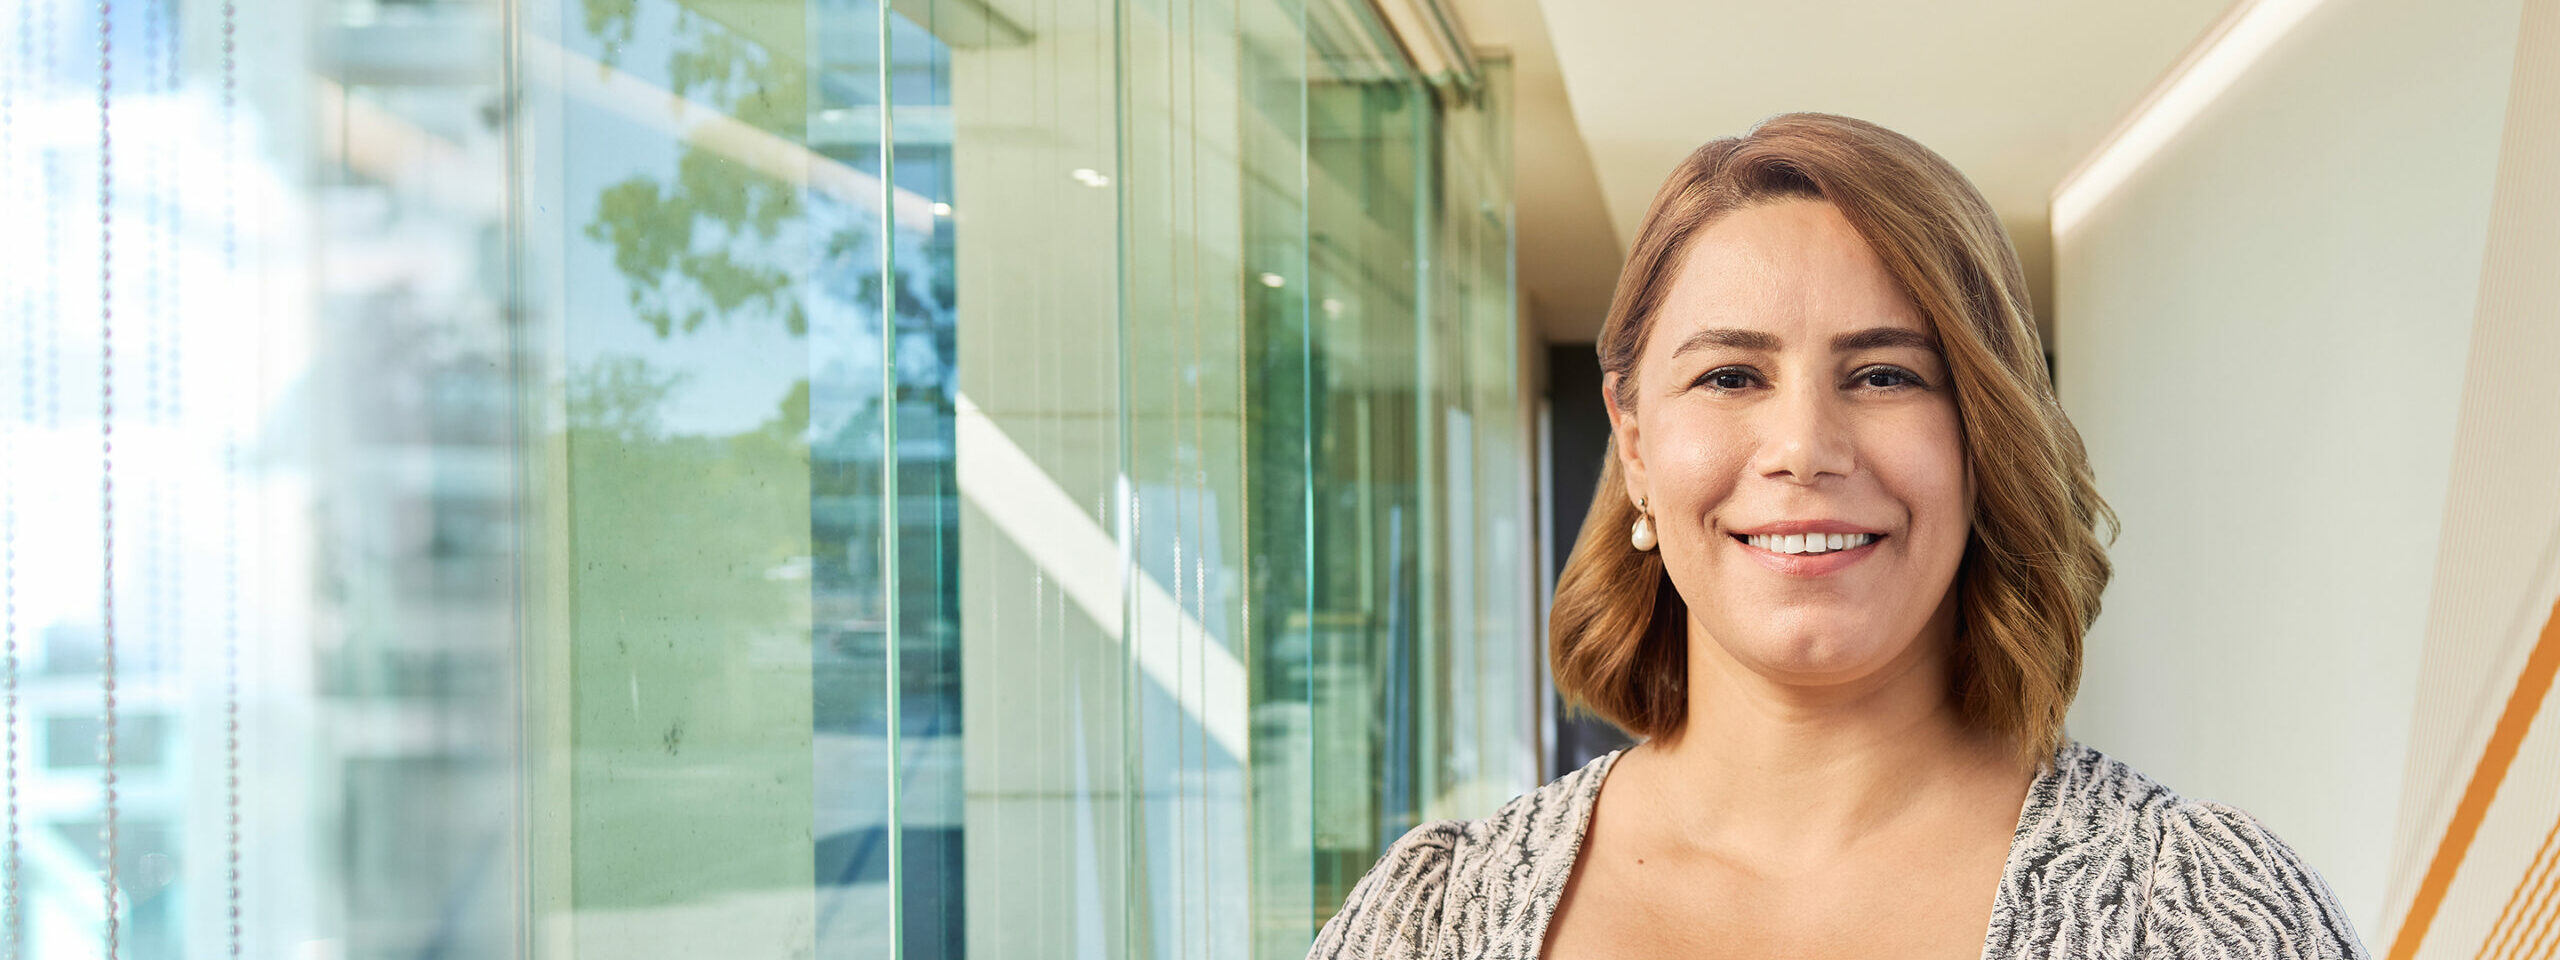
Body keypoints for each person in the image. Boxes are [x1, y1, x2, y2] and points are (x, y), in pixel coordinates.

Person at [1306, 113, 2368, 960]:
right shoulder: (1431, 922)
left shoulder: (2199, 919)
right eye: (1730, 376)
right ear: (1632, 440)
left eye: (1884, 375)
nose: (1804, 447)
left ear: (1981, 436)